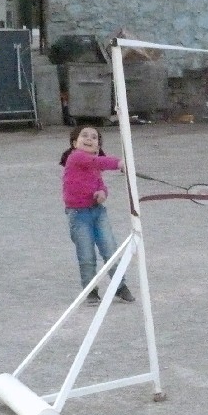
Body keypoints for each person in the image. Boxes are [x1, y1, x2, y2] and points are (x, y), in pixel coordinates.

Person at [60, 125, 136, 304]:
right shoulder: (76, 157)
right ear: (74, 143)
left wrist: (102, 193)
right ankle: (91, 290)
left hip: (98, 212)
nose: (89, 139)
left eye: (94, 137)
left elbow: (100, 184)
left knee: (110, 249)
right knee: (86, 255)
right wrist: (119, 163)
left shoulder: (93, 165)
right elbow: (98, 162)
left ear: (97, 146)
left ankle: (119, 286)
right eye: (84, 136)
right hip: (78, 215)